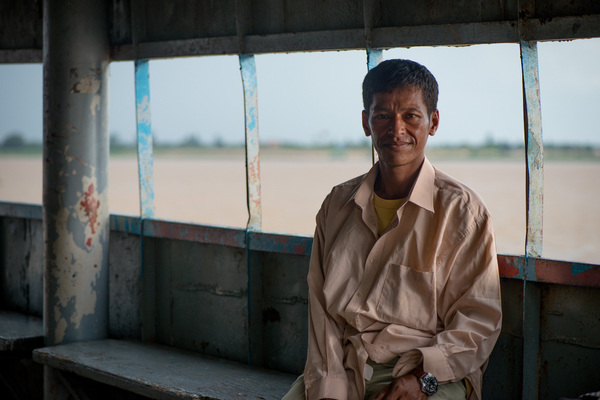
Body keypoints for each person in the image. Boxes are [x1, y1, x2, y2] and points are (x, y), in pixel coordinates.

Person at [282, 59, 502, 400]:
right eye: (382, 115)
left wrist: (420, 379)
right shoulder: (336, 207)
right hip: (343, 367)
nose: (395, 129)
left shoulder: (462, 213)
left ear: (433, 122)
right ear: (366, 123)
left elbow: (478, 323)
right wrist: (329, 389)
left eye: (411, 116)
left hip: (429, 375)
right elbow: (322, 314)